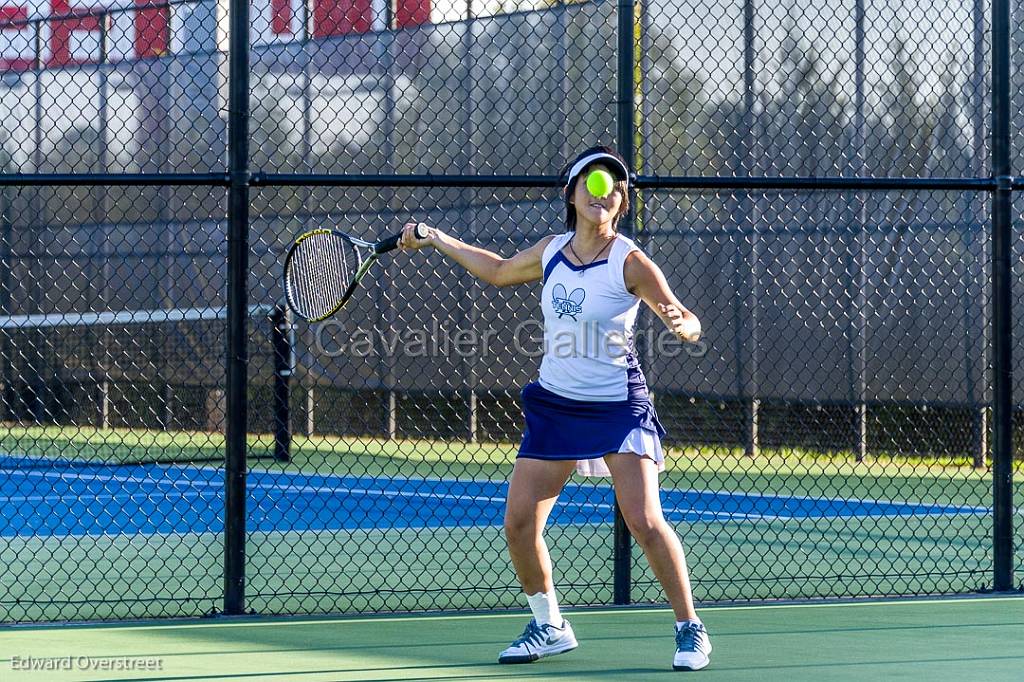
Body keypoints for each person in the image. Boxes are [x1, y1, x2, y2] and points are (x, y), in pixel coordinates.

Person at [398, 145, 711, 672]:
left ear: (622, 203)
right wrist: (437, 237)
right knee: (519, 523)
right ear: (571, 193)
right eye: (593, 182)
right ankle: (550, 625)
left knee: (644, 521)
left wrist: (685, 325)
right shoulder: (551, 251)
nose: (604, 192)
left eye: (614, 186)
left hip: (616, 406)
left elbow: (682, 313)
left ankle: (690, 629)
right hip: (556, 406)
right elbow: (497, 271)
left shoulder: (631, 263)